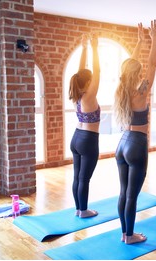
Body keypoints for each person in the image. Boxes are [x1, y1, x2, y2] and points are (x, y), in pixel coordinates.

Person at [114, 20, 156, 244]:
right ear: (137, 73)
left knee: (123, 193)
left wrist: (140, 41)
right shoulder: (140, 91)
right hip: (137, 144)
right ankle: (130, 236)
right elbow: (152, 64)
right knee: (132, 196)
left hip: (122, 144)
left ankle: (125, 233)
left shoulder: (122, 89)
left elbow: (128, 67)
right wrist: (154, 40)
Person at [69, 33, 100, 218]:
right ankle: (83, 210)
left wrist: (84, 48)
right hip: (88, 140)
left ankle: (78, 208)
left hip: (76, 138)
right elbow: (98, 72)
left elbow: (80, 71)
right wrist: (95, 49)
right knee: (84, 178)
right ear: (88, 82)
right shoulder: (89, 95)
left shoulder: (76, 93)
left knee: (77, 176)